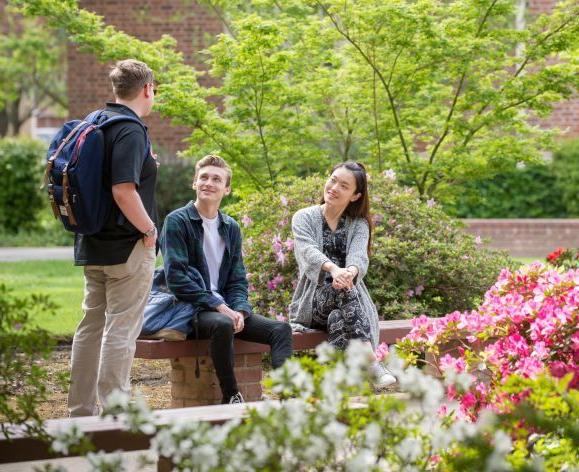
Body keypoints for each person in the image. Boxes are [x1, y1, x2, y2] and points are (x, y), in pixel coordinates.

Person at [161, 154, 293, 404]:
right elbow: (176, 278)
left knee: (281, 329)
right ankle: (231, 395)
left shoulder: (230, 227)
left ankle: (288, 399)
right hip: (191, 309)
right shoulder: (177, 222)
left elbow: (237, 279)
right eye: (204, 177)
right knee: (222, 323)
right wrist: (221, 307)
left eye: (216, 179)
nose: (209, 183)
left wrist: (240, 311)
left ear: (227, 189)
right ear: (194, 183)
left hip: (225, 309)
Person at [68, 59, 158, 416]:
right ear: (147, 89)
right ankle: (116, 414)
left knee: (90, 328)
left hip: (91, 243)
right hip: (127, 248)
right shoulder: (131, 129)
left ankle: (80, 412)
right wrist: (149, 229)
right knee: (121, 329)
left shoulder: (96, 121)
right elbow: (123, 190)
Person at [289, 161, 396, 387]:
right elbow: (308, 252)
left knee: (337, 318)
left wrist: (350, 272)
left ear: (355, 195)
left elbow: (359, 257)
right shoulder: (304, 217)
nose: (334, 187)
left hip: (345, 304)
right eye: (333, 180)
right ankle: (371, 361)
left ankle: (339, 384)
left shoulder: (358, 224)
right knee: (343, 289)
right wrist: (334, 269)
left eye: (344, 186)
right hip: (313, 303)